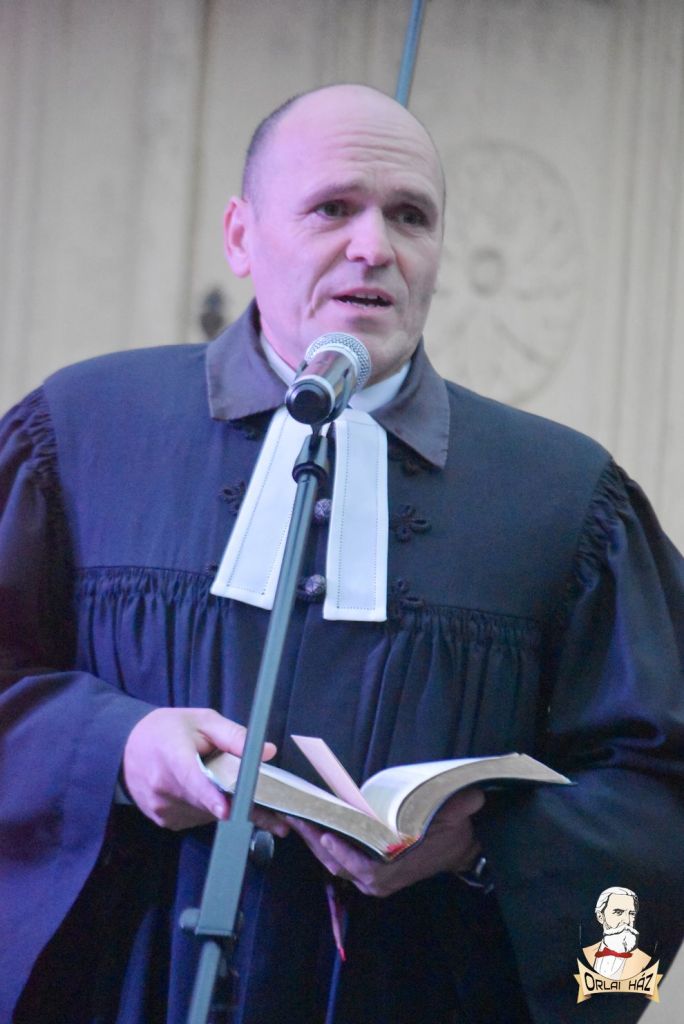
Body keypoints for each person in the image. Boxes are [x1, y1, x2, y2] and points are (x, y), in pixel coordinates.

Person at [0, 83, 682, 1024]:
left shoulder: (565, 494)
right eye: (332, 208)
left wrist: (489, 845)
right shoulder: (81, 432)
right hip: (127, 986)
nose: (375, 247)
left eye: (411, 216)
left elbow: (659, 786)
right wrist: (116, 749)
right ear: (241, 236)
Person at [583, 887, 651, 980]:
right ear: (600, 916)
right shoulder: (585, 954)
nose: (627, 921)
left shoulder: (644, 961)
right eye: (618, 912)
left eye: (631, 914)